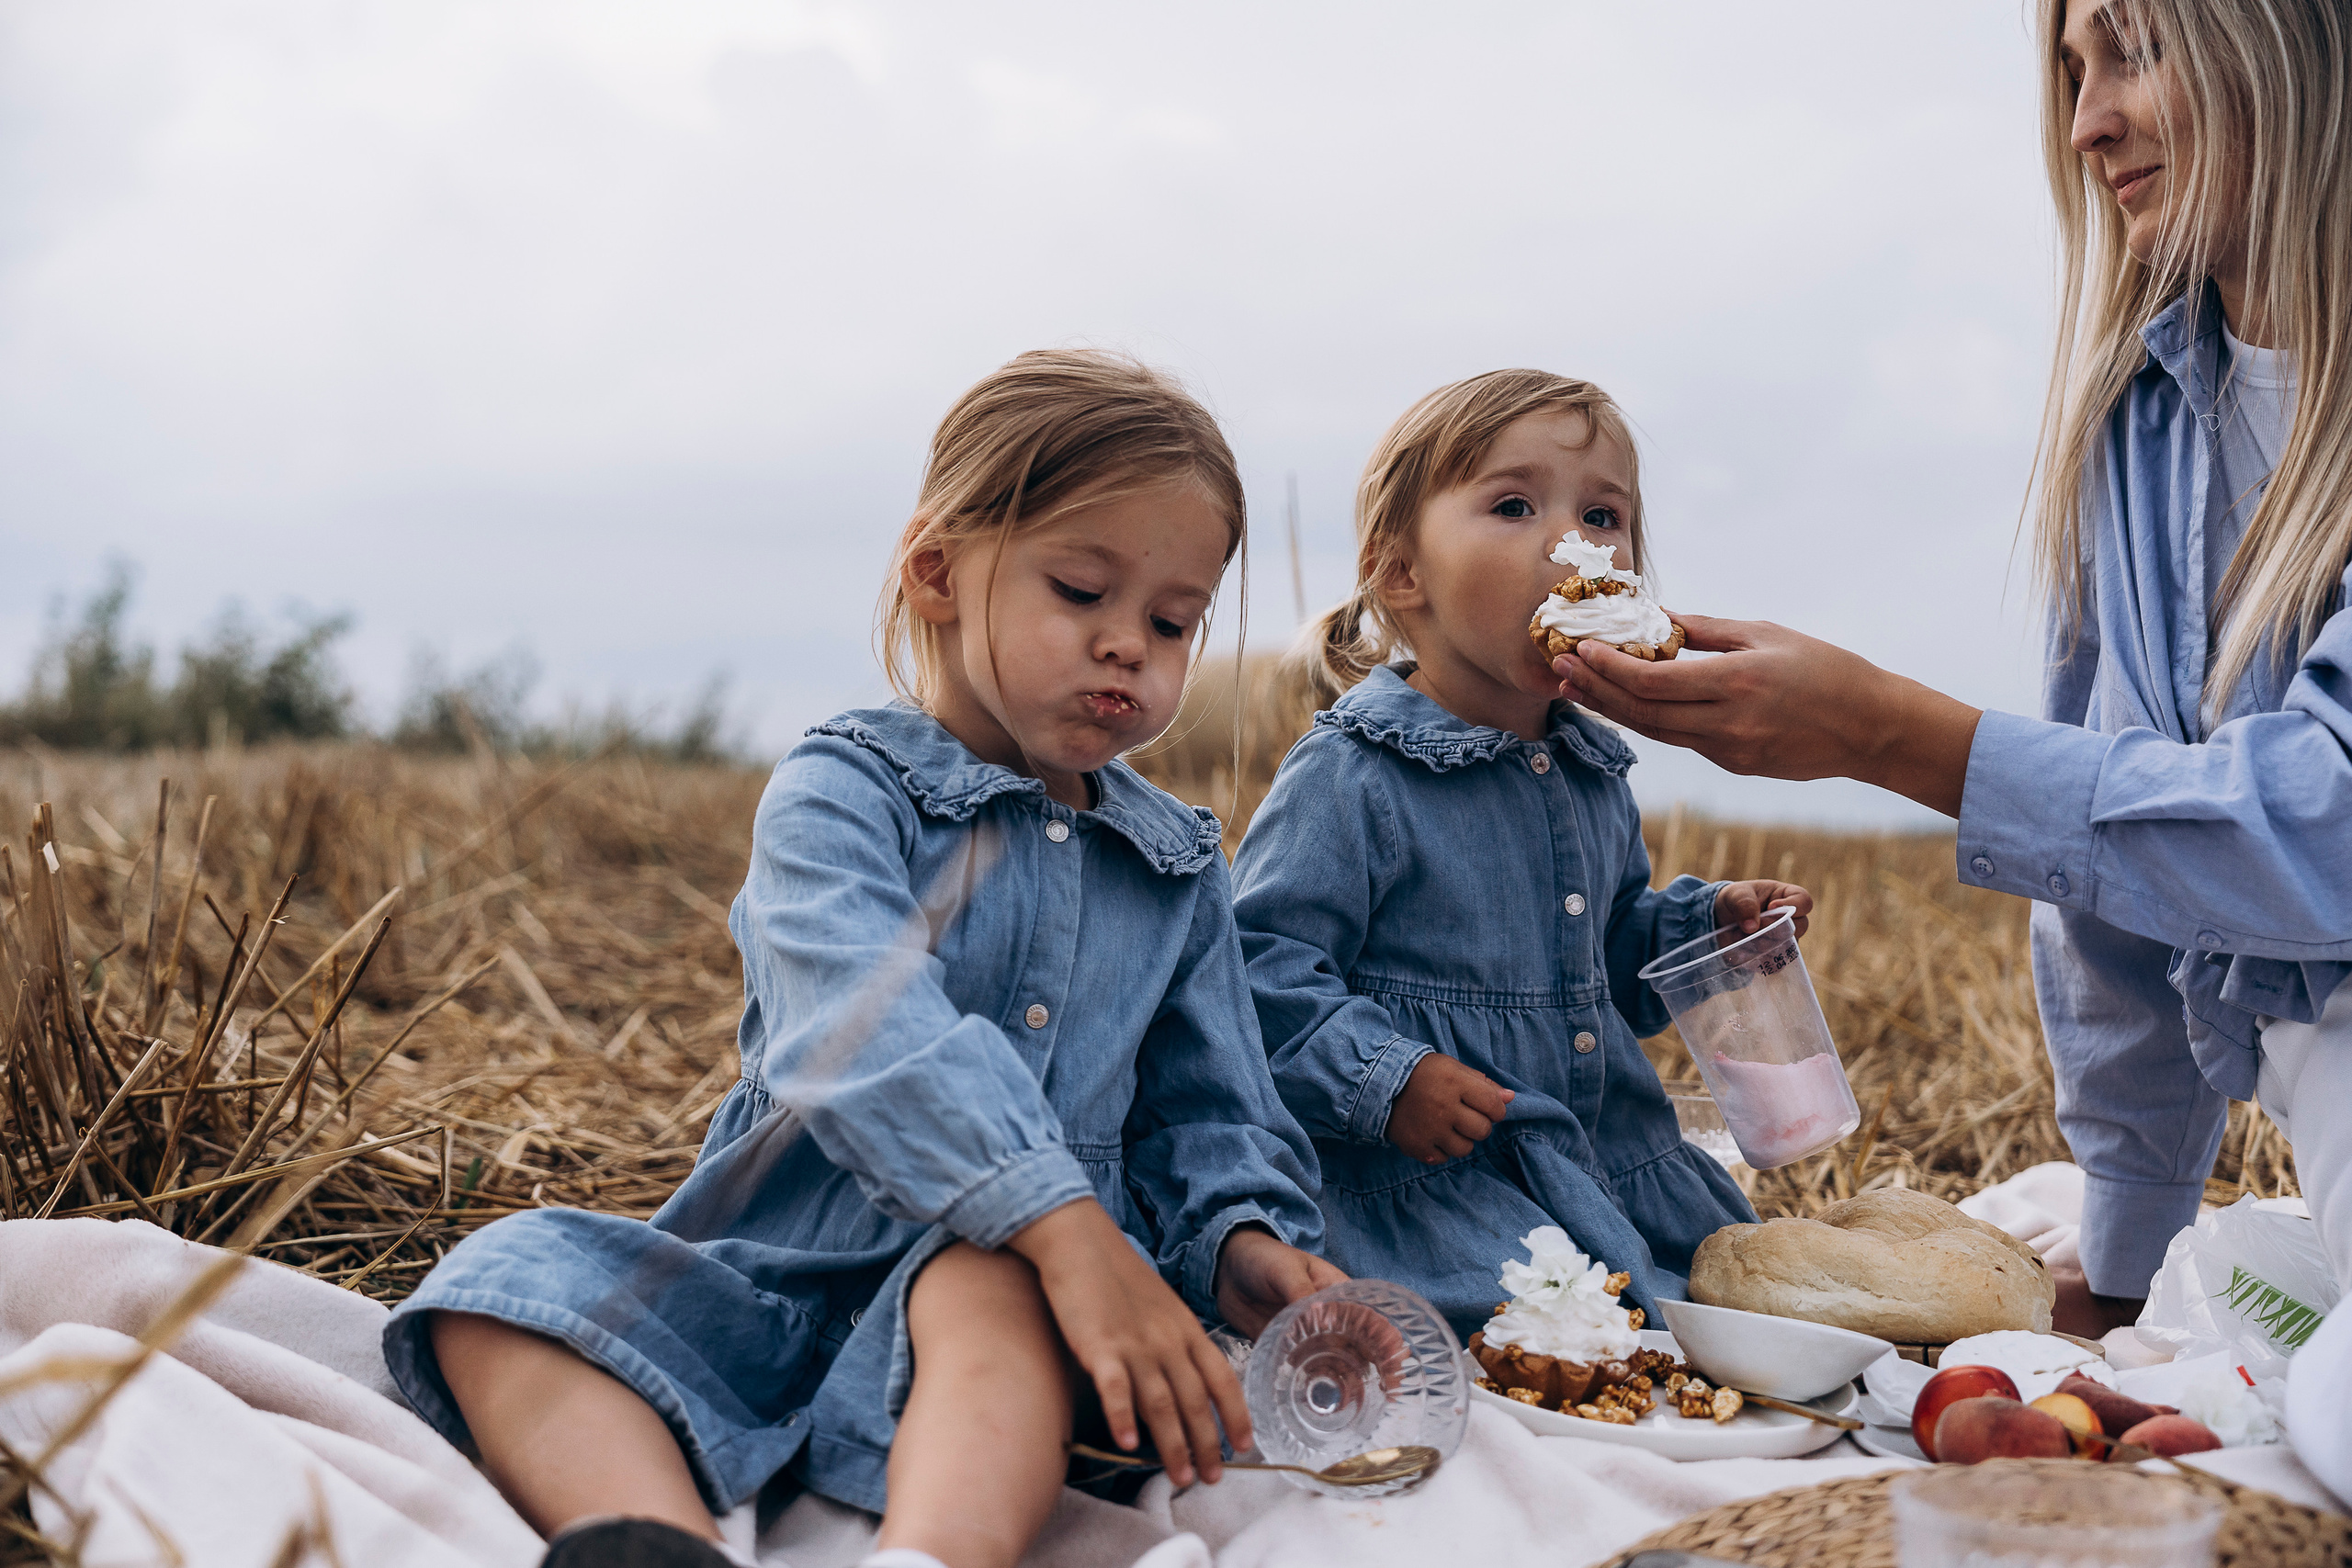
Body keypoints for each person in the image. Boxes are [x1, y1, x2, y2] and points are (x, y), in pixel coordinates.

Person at [383, 350, 1340, 1568]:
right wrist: (1058, 1217)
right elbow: (861, 1023)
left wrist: (1236, 1241)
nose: (1127, 648)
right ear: (937, 572)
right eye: (1080, 590)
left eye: (1170, 620)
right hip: (778, 1271)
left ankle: (930, 1554)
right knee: (502, 1278)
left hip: (1034, 1323)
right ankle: (652, 1541)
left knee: (988, 1274)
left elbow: (1210, 1112)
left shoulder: (1173, 864)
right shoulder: (841, 793)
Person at [1557, 0, 2352, 1323]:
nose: (2087, 124)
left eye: (2136, 51)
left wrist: (1885, 734)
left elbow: (2327, 827)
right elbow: (2114, 873)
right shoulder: (2137, 420)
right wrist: (2128, 1257)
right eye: (2071, 69)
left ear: (2290, 41)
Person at [1230, 369, 1810, 1337]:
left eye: (1603, 516)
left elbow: (1599, 961)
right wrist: (1388, 1077)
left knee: (1729, 1301)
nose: (1571, 545)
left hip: (1600, 1153)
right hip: (1438, 1173)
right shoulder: (1356, 772)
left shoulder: (1589, 769)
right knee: (1533, 1319)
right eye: (1513, 506)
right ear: (1402, 574)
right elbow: (1257, 971)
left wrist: (1702, 929)